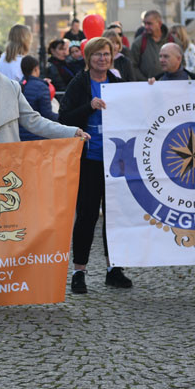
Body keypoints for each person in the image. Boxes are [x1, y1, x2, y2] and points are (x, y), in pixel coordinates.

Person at [57, 37, 131, 293]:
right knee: (87, 216)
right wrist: (89, 107)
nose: (103, 58)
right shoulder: (80, 83)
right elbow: (64, 117)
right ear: (88, 58)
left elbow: (136, 109)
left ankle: (114, 268)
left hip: (115, 160)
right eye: (98, 54)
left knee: (114, 216)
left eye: (107, 54)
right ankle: (79, 272)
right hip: (89, 159)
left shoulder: (117, 83)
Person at [18, 55, 57, 141]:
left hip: (20, 134)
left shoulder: (18, 85)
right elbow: (47, 114)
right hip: (37, 134)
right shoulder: (41, 87)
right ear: (36, 69)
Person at [130, 10, 171, 79]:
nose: (146, 27)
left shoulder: (172, 41)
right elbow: (133, 67)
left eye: (149, 24)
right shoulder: (138, 43)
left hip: (171, 86)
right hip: (146, 87)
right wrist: (146, 82)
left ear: (159, 24)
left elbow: (181, 63)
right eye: (145, 24)